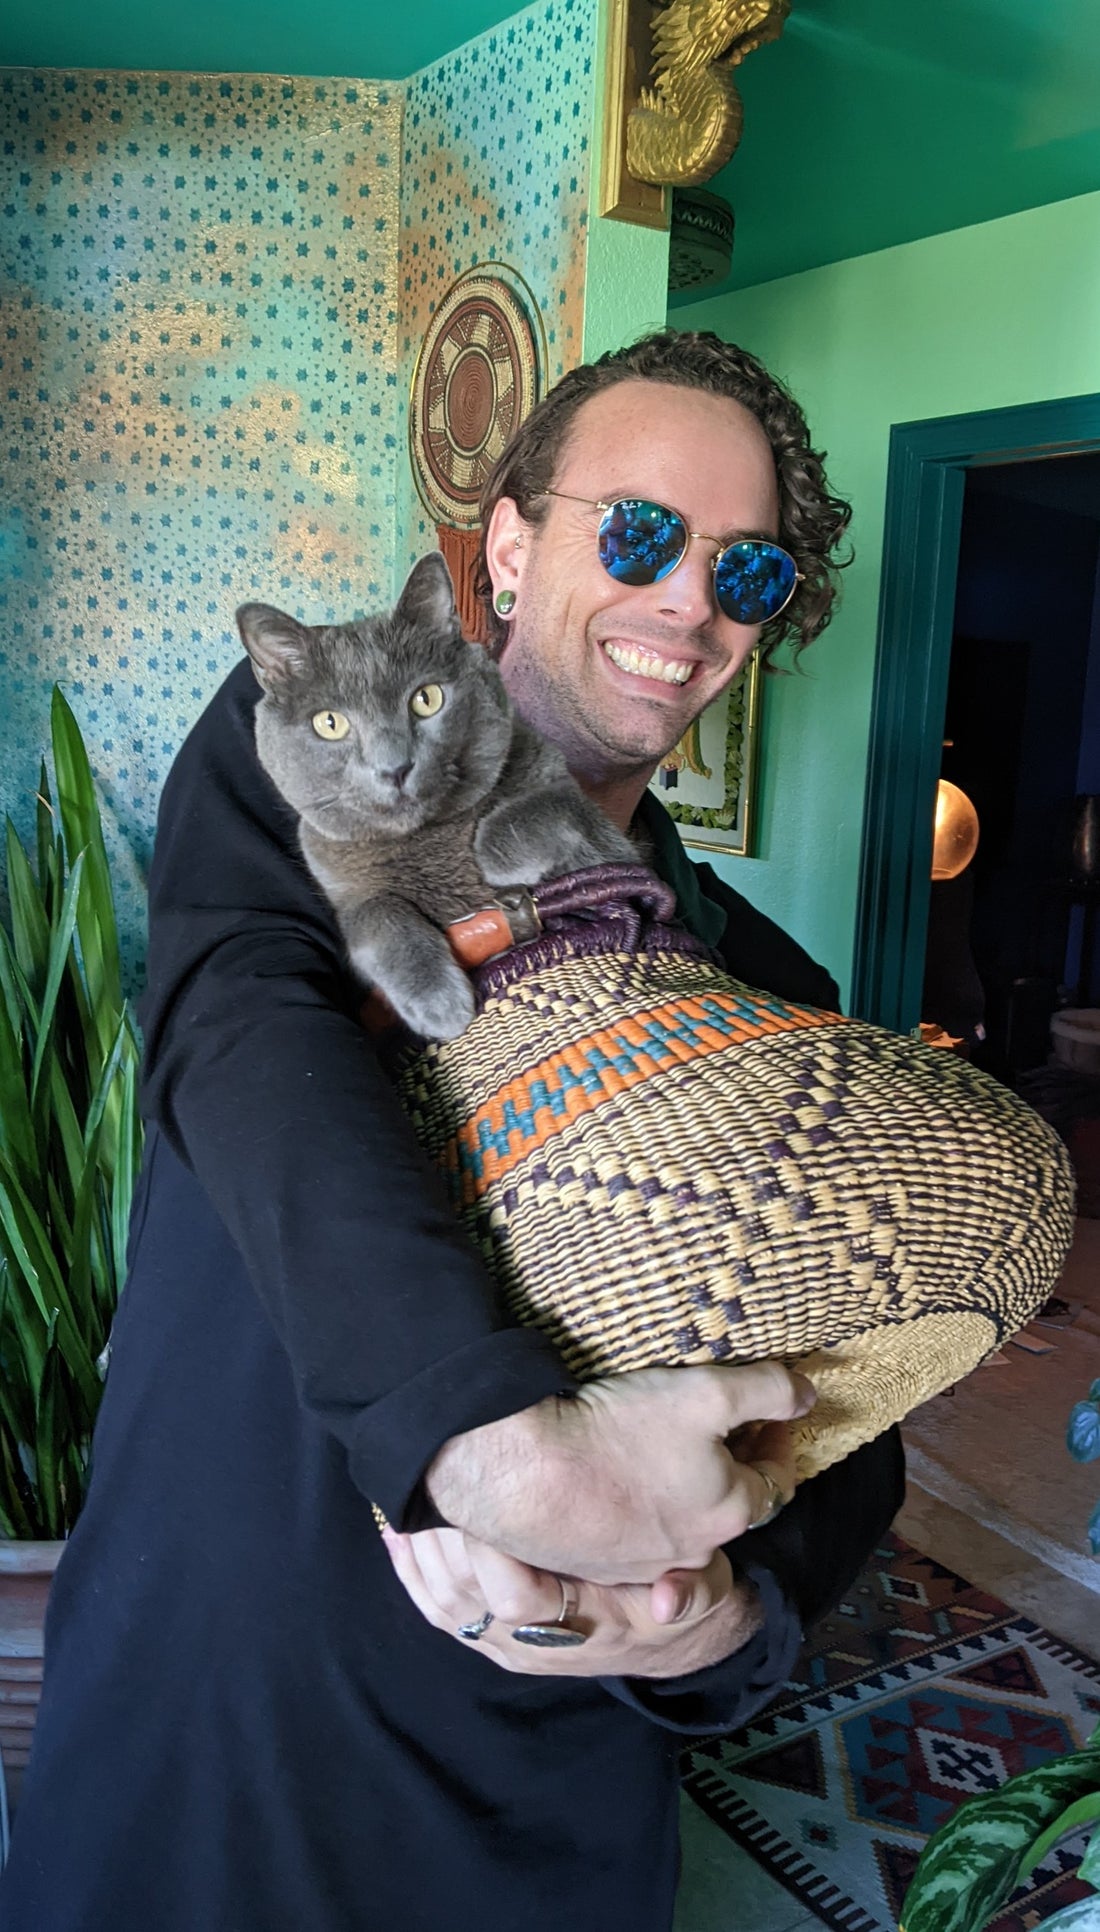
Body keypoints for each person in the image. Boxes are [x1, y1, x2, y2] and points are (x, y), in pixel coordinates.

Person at [1, 330, 904, 1931]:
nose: (689, 601)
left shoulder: (770, 993)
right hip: (205, 1721)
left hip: (541, 1804)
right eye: (641, 533)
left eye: (747, 570)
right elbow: (245, 1024)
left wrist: (730, 1618)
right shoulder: (304, 772)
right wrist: (491, 1448)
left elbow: (854, 1400)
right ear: (510, 546)